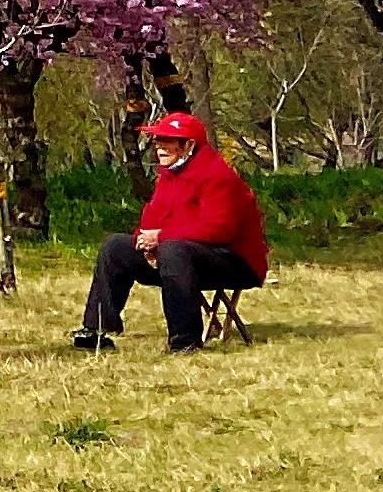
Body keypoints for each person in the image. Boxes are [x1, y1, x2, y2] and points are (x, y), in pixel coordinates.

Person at [75, 110, 267, 354]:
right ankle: (96, 330)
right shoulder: (168, 174)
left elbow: (220, 229)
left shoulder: (218, 176)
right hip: (178, 256)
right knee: (116, 246)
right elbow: (153, 215)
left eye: (167, 141)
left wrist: (162, 239)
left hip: (234, 261)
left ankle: (185, 342)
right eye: (157, 140)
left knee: (174, 249)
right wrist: (147, 243)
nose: (159, 147)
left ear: (188, 145)